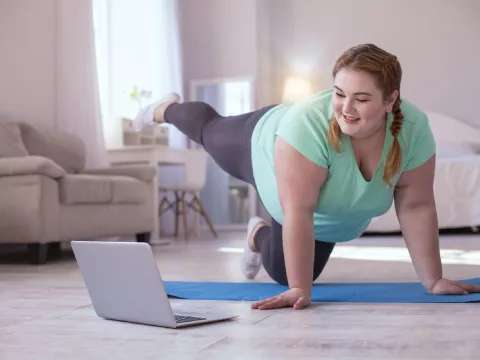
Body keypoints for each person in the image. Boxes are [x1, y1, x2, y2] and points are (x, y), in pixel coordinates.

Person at [133, 43, 480, 310]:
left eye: (361, 99)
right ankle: (165, 109)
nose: (345, 108)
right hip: (263, 147)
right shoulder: (306, 124)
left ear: (391, 100)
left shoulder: (414, 132)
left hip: (327, 212)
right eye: (339, 94)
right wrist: (300, 292)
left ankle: (257, 234)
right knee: (209, 131)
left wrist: (433, 280)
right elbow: (298, 211)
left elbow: (416, 205)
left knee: (286, 272)